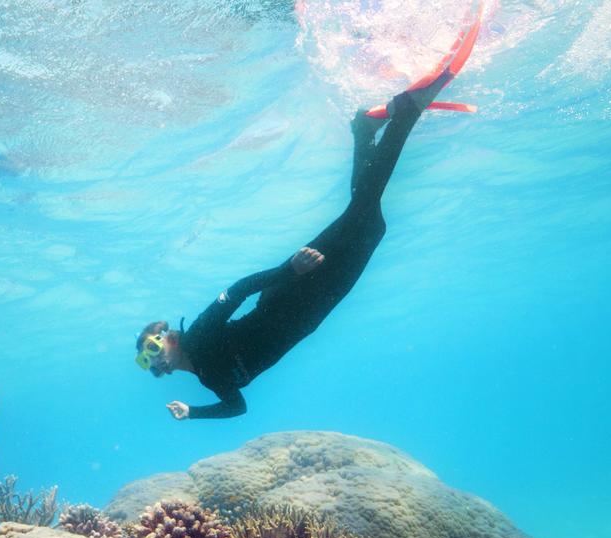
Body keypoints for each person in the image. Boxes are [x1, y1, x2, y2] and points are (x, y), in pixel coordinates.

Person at [133, 9, 483, 420]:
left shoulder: (200, 334)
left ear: (169, 338)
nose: (154, 361)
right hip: (316, 307)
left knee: (367, 219)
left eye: (153, 349)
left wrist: (290, 270)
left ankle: (407, 112)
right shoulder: (210, 379)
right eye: (147, 361)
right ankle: (364, 130)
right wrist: (192, 413)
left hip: (297, 287)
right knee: (369, 222)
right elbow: (237, 408)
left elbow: (242, 287)